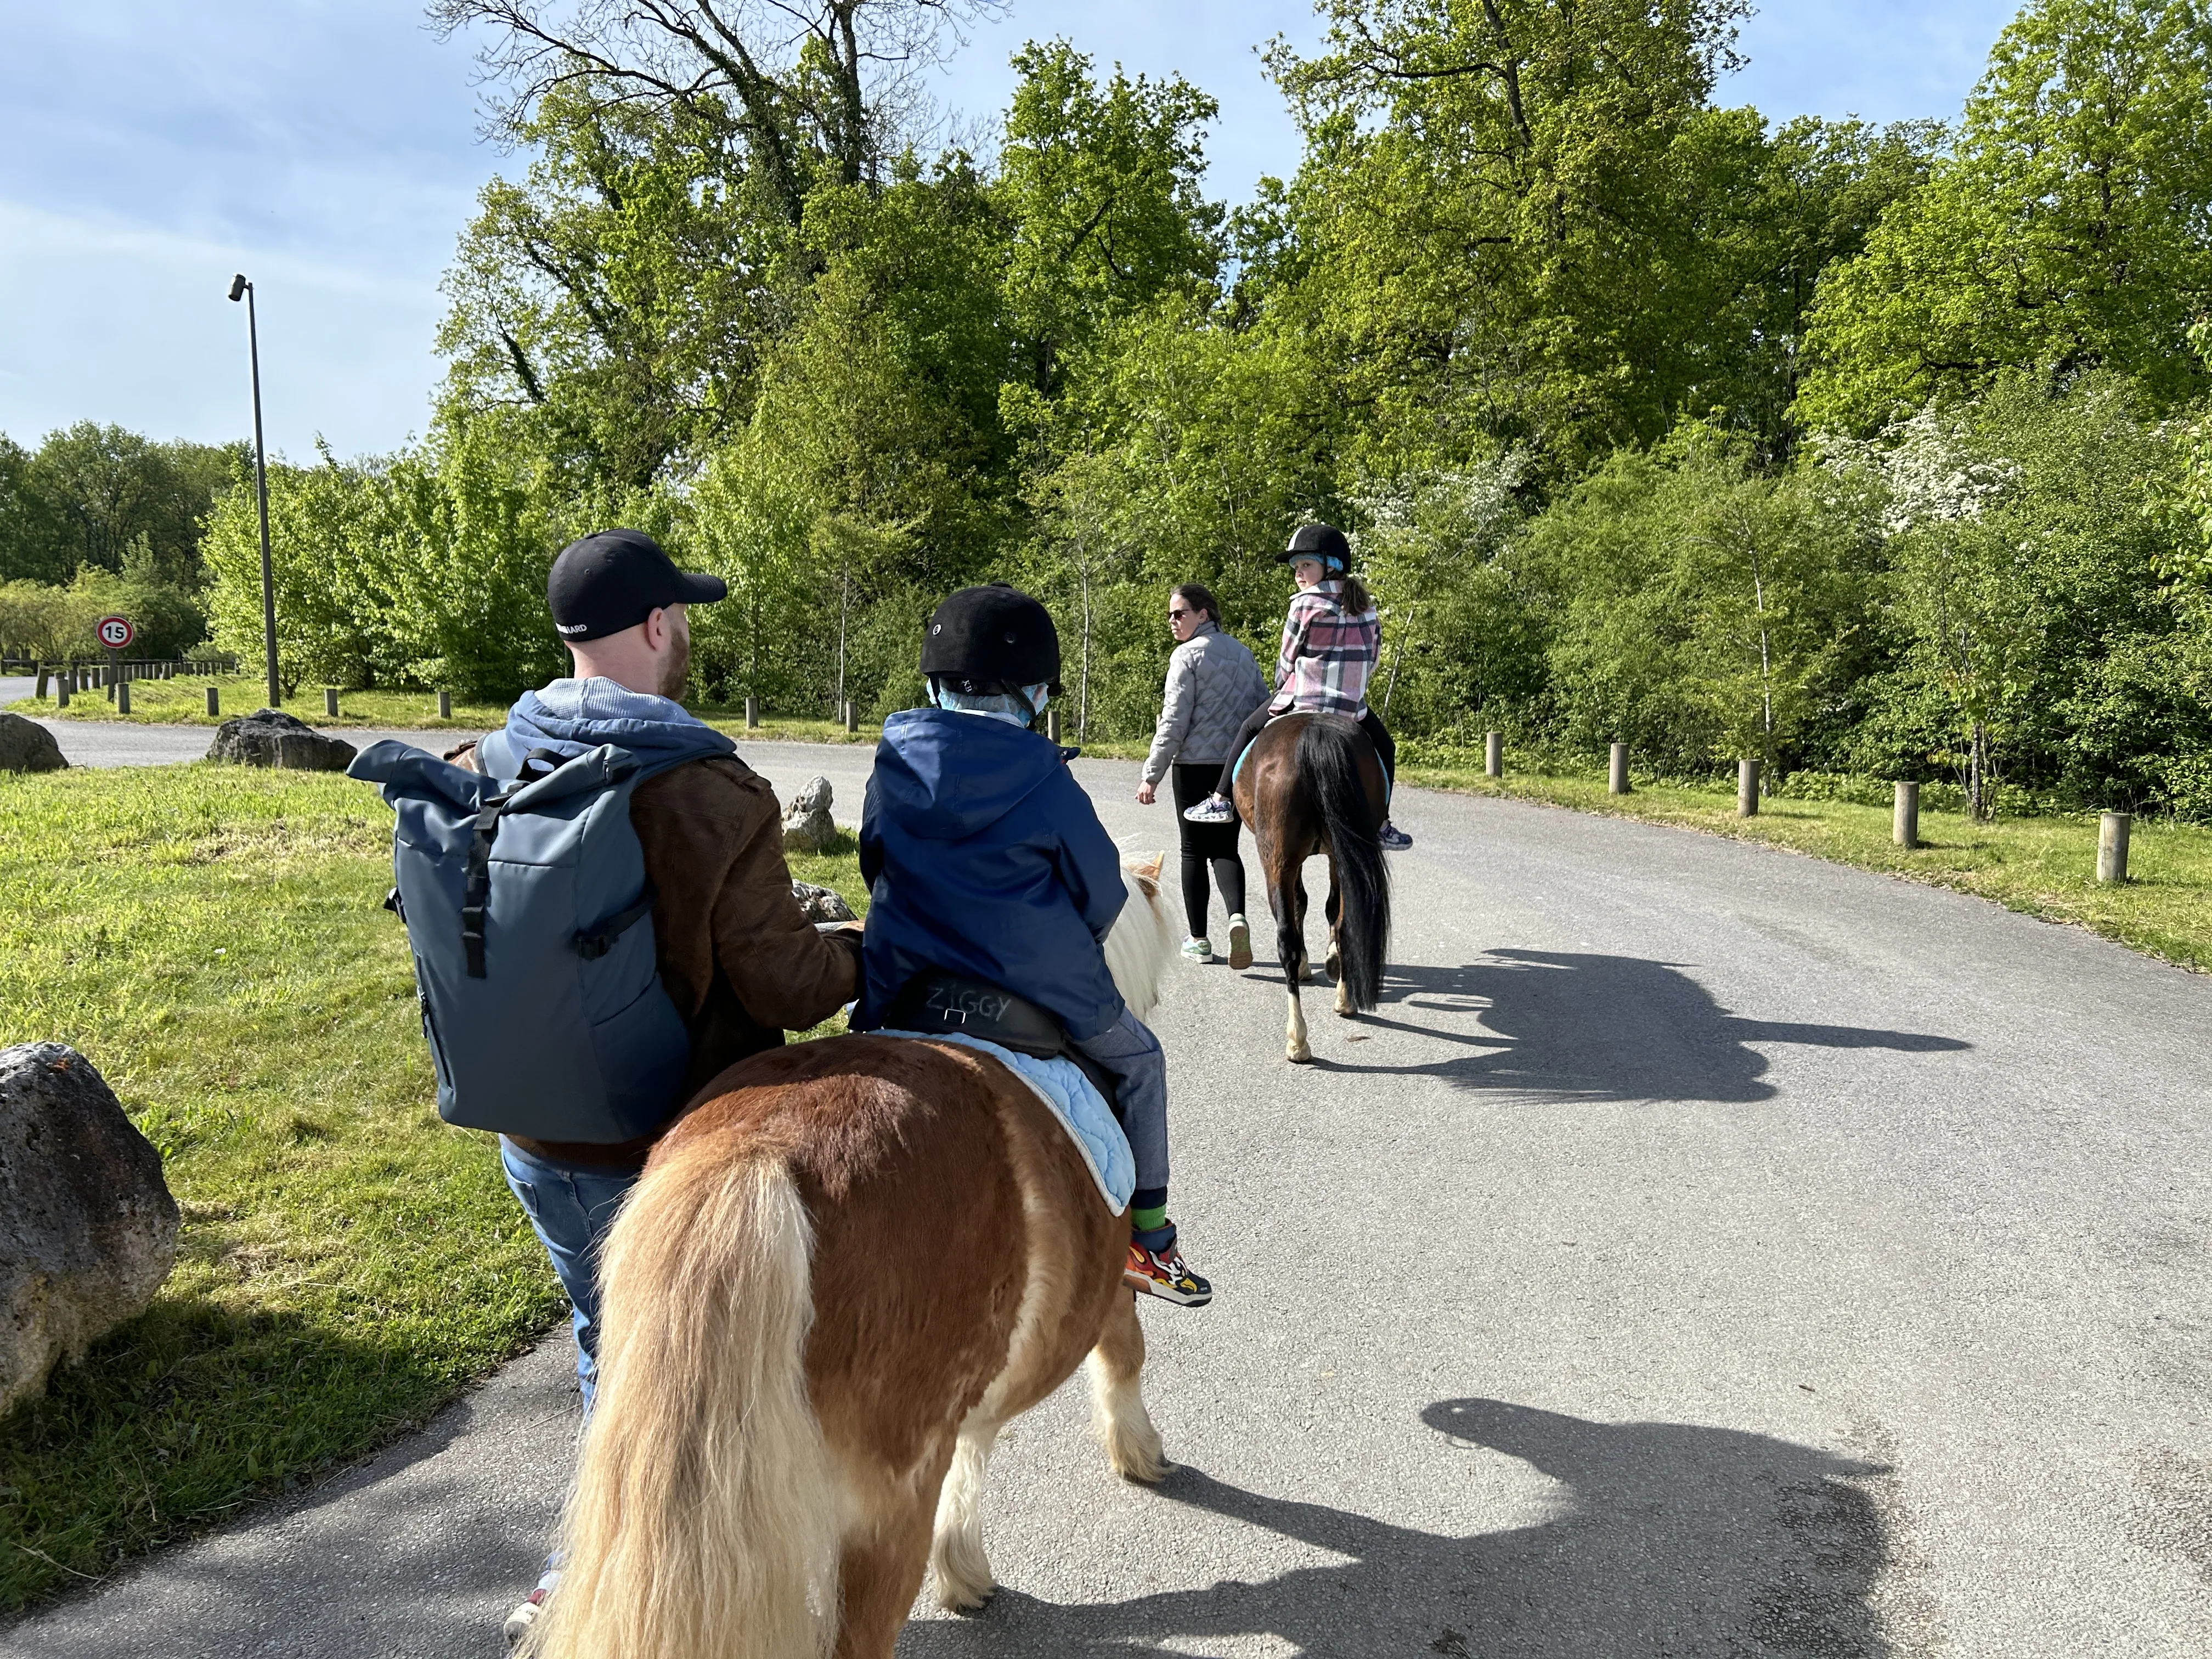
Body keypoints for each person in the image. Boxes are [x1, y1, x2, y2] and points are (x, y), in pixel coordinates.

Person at [453, 529, 862, 1645]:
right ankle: (659, 1595)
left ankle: (582, 1572)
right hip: (677, 1150)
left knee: (609, 1349)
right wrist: (865, 950)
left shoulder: (492, 754)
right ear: (652, 628)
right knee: (710, 1384)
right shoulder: (707, 784)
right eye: (679, 614)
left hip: (534, 1132)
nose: (687, 631)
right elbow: (784, 974)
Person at [850, 581, 1211, 1307]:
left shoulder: (891, 767)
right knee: (1142, 1064)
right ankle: (1149, 1240)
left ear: (934, 682)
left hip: (905, 984)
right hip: (1043, 990)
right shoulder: (1047, 781)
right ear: (1038, 696)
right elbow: (1105, 903)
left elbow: (871, 862)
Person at [1182, 524, 1413, 849]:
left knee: (1249, 727)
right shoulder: (1367, 607)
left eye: (1306, 564)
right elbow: (1371, 659)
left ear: (1330, 564)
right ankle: (1382, 823)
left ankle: (1220, 799)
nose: (1298, 573)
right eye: (1296, 567)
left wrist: (1282, 687)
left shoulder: (1303, 603)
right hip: (1351, 707)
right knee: (1386, 749)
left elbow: (1287, 658)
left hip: (1302, 697)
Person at [1136, 582, 1268, 966]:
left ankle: (1199, 940)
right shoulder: (1243, 653)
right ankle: (1237, 918)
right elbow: (1262, 705)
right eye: (1170, 615)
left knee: (1193, 850)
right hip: (1235, 767)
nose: (1172, 621)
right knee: (1226, 849)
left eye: (1180, 613)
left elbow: (1175, 722)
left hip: (1194, 764)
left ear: (1203, 614)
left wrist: (1152, 774)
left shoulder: (1186, 657)